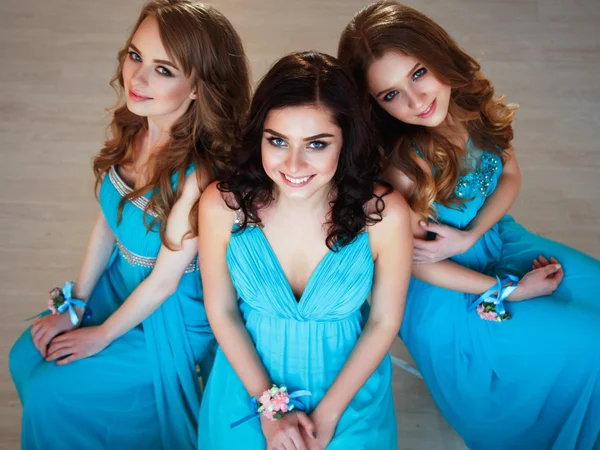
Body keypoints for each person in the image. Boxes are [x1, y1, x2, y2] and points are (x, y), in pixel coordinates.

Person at [338, 2, 600, 449]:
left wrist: (473, 234)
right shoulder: (403, 167)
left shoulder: (471, 105)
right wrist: (510, 290)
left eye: (418, 73)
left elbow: (511, 175)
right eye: (390, 95)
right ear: (373, 104)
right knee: (588, 344)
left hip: (492, 238)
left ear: (439, 54)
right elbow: (416, 264)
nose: (416, 101)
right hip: (447, 292)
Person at [9, 1, 250, 448]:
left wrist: (99, 335)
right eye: (135, 56)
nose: (136, 79)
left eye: (164, 70)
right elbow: (107, 224)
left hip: (171, 311)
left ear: (199, 87)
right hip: (121, 281)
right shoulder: (133, 125)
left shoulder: (199, 177)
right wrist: (76, 305)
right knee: (25, 356)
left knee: (50, 392)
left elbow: (163, 282)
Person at [197, 51, 413, 450]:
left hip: (346, 390)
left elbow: (384, 321)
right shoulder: (220, 206)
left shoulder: (385, 215)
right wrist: (270, 411)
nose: (293, 164)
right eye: (277, 140)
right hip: (248, 382)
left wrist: (327, 417)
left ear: (346, 141)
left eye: (316, 144)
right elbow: (222, 311)